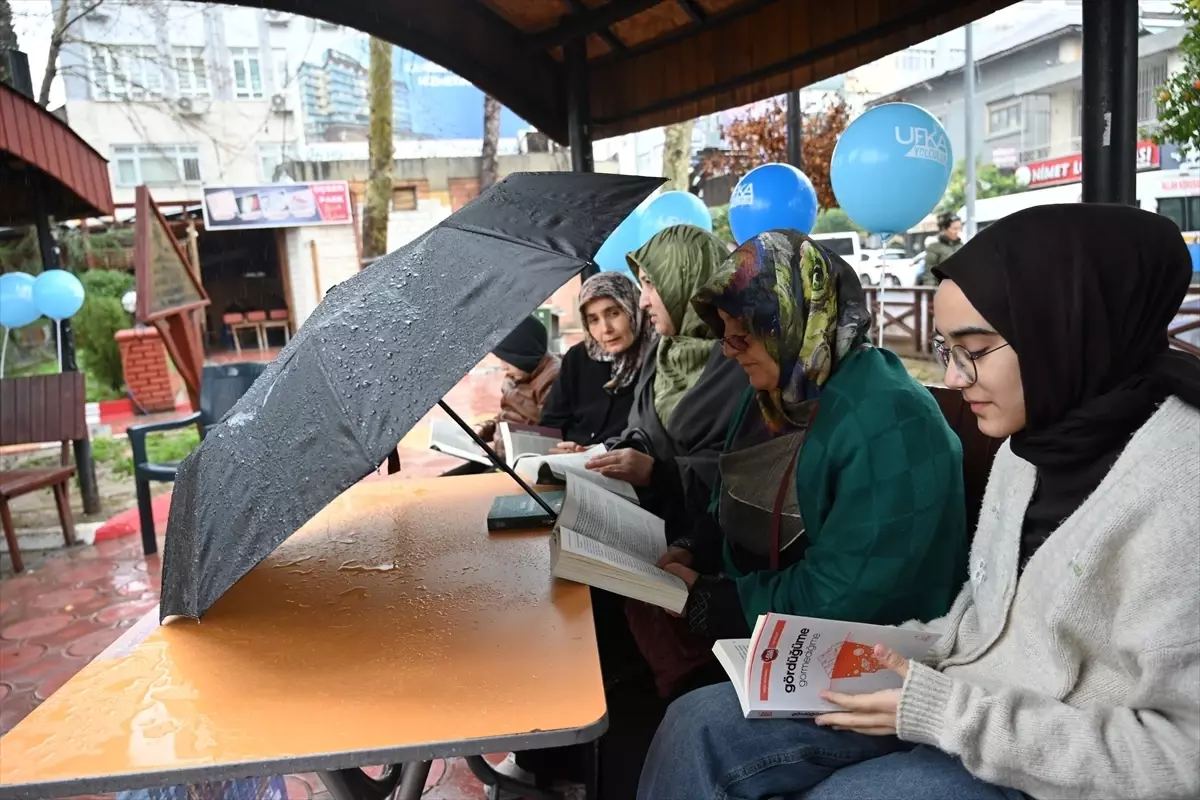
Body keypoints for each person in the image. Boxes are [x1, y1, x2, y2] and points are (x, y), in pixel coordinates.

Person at [636, 204, 1200, 800]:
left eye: (974, 348)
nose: (953, 379)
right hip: (955, 690)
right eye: (944, 347)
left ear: (1070, 326)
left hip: (1050, 758)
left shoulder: (1177, 485)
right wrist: (879, 665)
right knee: (697, 725)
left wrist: (937, 707)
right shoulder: (1034, 435)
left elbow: (1182, 757)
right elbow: (984, 616)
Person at [661, 229, 967, 642]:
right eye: (724, 335)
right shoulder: (775, 397)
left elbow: (849, 595)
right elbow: (726, 500)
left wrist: (714, 603)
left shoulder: (890, 418)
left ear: (790, 318)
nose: (729, 351)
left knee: (691, 708)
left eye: (742, 333)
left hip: (858, 652)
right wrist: (694, 547)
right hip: (768, 625)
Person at [584, 224, 749, 523]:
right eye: (642, 284)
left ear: (687, 280)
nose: (643, 300)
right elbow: (642, 433)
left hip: (709, 545)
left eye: (651, 283)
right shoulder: (660, 350)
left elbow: (749, 473)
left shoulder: (744, 361)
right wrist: (600, 454)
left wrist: (658, 474)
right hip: (647, 526)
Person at [539, 272, 655, 448]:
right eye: (593, 320)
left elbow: (654, 435)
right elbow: (551, 422)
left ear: (634, 308)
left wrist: (598, 451)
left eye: (614, 313)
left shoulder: (657, 357)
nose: (606, 329)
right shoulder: (578, 357)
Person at [442, 316, 560, 477]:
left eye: (507, 360)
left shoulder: (553, 379)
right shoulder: (517, 374)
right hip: (500, 455)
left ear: (523, 353)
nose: (503, 367)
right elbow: (508, 416)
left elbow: (546, 434)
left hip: (522, 463)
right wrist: (485, 428)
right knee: (443, 482)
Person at [918, 212, 963, 285]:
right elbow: (929, 274)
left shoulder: (961, 245)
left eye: (959, 228)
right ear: (944, 229)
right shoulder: (934, 247)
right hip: (942, 290)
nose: (958, 232)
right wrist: (931, 293)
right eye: (955, 229)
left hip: (960, 290)